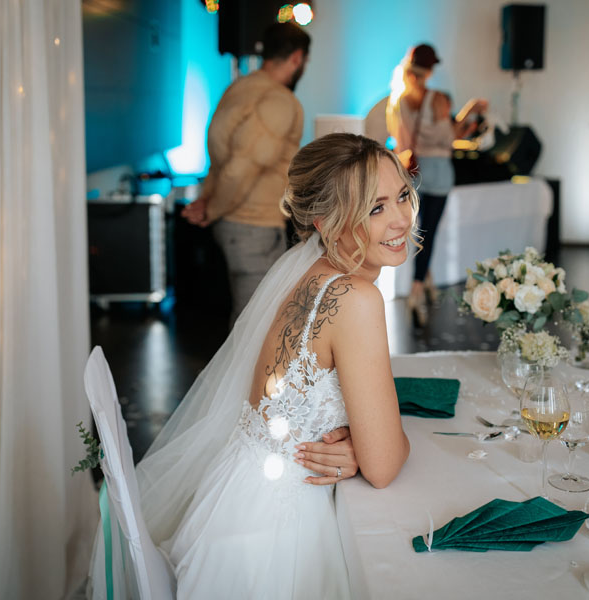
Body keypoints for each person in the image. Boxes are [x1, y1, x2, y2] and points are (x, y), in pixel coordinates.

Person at [109, 134, 415, 598]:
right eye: (375, 208)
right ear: (326, 223)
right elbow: (385, 465)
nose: (400, 219)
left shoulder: (309, 274)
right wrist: (368, 447)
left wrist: (361, 441)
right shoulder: (355, 298)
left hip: (234, 502)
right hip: (273, 537)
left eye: (402, 196)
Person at [182, 23, 309, 326]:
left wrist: (208, 204)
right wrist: (210, 208)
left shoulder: (239, 88)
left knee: (249, 321)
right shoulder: (278, 100)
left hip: (236, 223)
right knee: (255, 327)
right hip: (254, 226)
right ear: (297, 58)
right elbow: (241, 166)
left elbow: (221, 160)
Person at [386, 43, 486, 326]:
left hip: (414, 173)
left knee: (418, 229)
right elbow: (451, 136)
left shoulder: (398, 101)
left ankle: (425, 279)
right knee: (429, 232)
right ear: (430, 70)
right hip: (440, 173)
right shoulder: (439, 99)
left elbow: (401, 143)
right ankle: (417, 289)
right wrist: (471, 111)